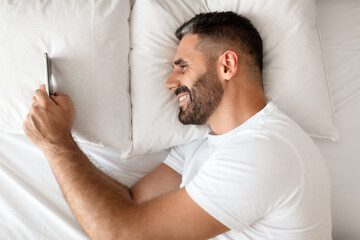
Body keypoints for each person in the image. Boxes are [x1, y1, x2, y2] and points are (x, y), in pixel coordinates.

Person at [23, 12, 332, 240]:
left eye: (182, 67)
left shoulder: (266, 151)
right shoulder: (201, 146)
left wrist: (57, 144)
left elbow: (123, 234)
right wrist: (64, 143)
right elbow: (132, 203)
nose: (169, 83)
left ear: (227, 65)